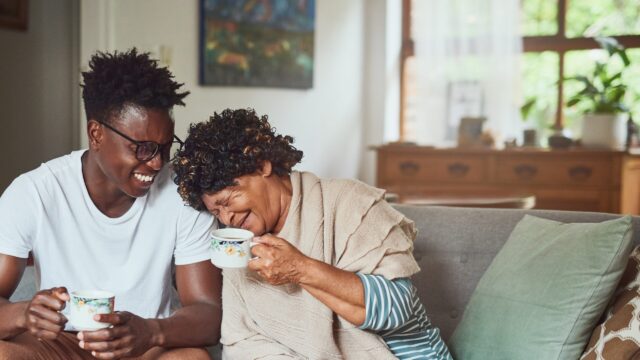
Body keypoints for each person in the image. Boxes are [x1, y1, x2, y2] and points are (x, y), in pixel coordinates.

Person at [172, 108, 452, 359]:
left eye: (228, 200)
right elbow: (242, 341)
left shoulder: (350, 202)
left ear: (261, 164)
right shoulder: (238, 244)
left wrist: (300, 269)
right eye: (215, 212)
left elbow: (397, 310)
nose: (226, 218)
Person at [0, 49, 221, 359]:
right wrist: (25, 314)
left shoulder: (183, 194)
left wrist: (151, 331)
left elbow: (208, 313)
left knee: (193, 357)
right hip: (61, 344)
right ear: (96, 134)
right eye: (143, 148)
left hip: (146, 344)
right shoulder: (34, 192)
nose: (157, 163)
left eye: (165, 147)